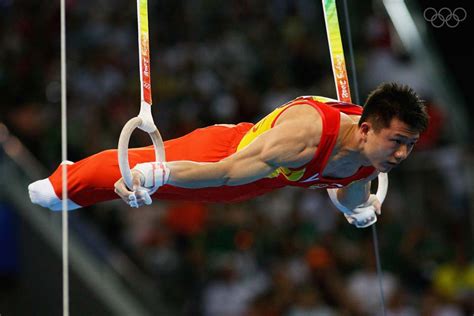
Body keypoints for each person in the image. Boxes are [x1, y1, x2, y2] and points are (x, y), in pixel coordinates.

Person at [29, 82, 428, 227]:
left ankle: (77, 190)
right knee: (138, 173)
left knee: (155, 183)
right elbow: (224, 172)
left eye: (409, 144)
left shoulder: (370, 155)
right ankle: (65, 182)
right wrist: (163, 172)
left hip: (256, 183)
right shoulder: (306, 136)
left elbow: (350, 185)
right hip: (225, 155)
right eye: (397, 141)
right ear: (365, 128)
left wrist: (354, 210)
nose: (402, 154)